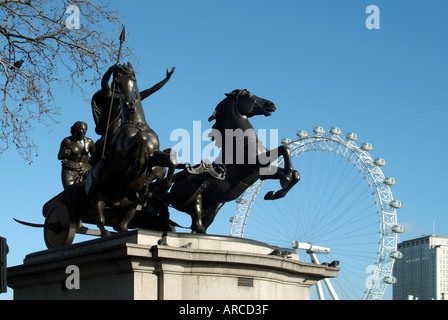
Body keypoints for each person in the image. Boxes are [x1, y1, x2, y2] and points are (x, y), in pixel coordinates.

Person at [91, 64, 175, 162]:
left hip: (129, 123)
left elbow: (152, 90)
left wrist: (166, 79)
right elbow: (104, 82)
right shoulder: (109, 94)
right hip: (115, 125)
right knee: (110, 146)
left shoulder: (132, 97)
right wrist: (111, 70)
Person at [58, 121, 96, 189]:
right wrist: (65, 154)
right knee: (69, 191)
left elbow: (96, 157)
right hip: (70, 171)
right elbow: (59, 156)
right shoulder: (67, 141)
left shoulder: (89, 142)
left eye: (85, 130)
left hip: (86, 170)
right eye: (82, 129)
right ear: (76, 129)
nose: (84, 131)